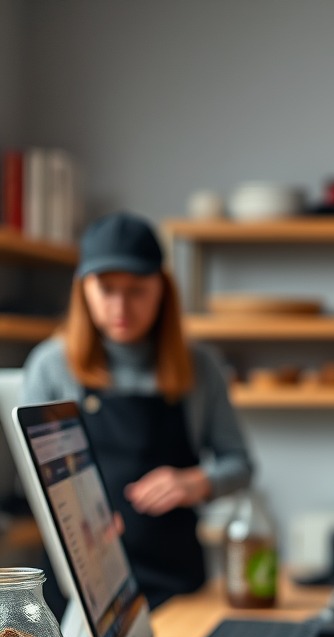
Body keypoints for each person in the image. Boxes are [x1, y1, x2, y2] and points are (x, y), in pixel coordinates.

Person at [22, 211, 254, 609]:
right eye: (106, 288)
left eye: (137, 290)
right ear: (84, 290)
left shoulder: (200, 366)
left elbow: (241, 464)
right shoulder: (50, 366)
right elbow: (31, 480)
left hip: (177, 582)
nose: (120, 305)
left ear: (162, 289)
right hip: (82, 586)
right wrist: (76, 519)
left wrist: (196, 482)